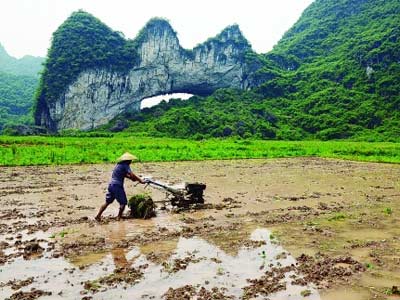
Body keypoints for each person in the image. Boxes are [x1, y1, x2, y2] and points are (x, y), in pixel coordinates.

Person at [95, 152, 146, 221]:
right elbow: (131, 174)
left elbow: (126, 175)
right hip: (117, 186)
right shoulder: (125, 165)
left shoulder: (118, 165)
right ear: (128, 160)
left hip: (111, 185)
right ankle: (119, 217)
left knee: (107, 202)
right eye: (130, 160)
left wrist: (132, 179)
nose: (131, 162)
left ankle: (98, 215)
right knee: (123, 203)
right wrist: (140, 180)